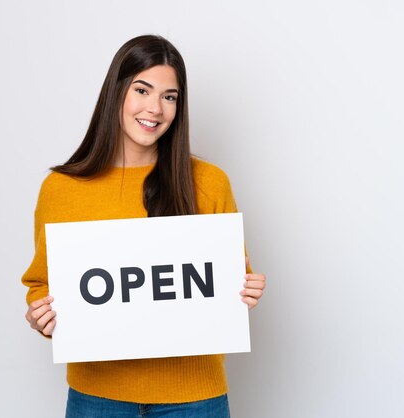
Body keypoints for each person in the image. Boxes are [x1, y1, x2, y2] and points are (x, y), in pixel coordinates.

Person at [22, 34, 266, 418]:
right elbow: (42, 285)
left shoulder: (208, 182)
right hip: (96, 396)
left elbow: (227, 283)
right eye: (142, 89)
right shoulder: (61, 189)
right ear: (116, 92)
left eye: (170, 96)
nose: (156, 108)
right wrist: (43, 317)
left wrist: (246, 290)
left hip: (194, 397)